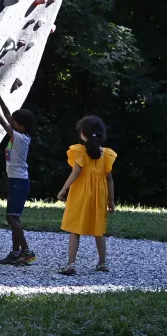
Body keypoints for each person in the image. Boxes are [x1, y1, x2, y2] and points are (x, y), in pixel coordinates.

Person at [0, 85, 37, 265]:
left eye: (15, 123)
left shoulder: (21, 138)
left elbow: (3, 121)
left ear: (22, 126)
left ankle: (27, 252)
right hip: (17, 181)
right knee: (14, 217)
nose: (12, 123)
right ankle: (15, 253)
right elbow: (8, 116)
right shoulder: (20, 133)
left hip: (19, 182)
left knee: (11, 218)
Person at [57, 115, 117, 275]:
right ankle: (103, 263)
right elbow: (109, 178)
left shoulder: (79, 151)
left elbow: (76, 173)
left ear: (83, 133)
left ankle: (71, 264)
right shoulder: (107, 154)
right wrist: (111, 200)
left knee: (75, 229)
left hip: (80, 194)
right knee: (99, 230)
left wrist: (63, 189)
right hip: (100, 196)